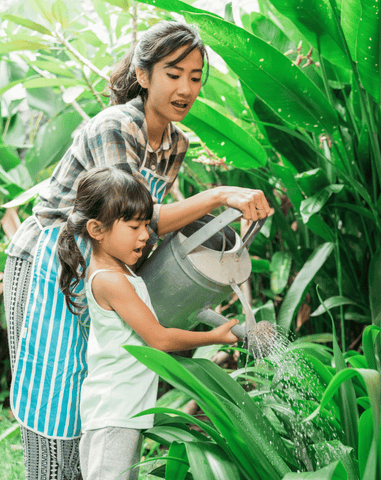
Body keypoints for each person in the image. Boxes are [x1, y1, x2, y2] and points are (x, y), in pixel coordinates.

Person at [3, 20, 273, 480]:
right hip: (53, 262)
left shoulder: (174, 143)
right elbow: (120, 218)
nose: (186, 87)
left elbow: (144, 226)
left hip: (103, 267)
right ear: (143, 75)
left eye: (195, 77)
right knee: (55, 388)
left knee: (94, 385)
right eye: (173, 73)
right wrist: (217, 195)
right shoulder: (115, 126)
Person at [56, 167, 240, 480]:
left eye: (145, 224)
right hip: (113, 412)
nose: (144, 234)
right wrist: (214, 337)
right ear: (96, 230)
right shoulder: (111, 280)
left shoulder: (119, 269)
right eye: (133, 226)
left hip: (123, 410)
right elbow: (160, 339)